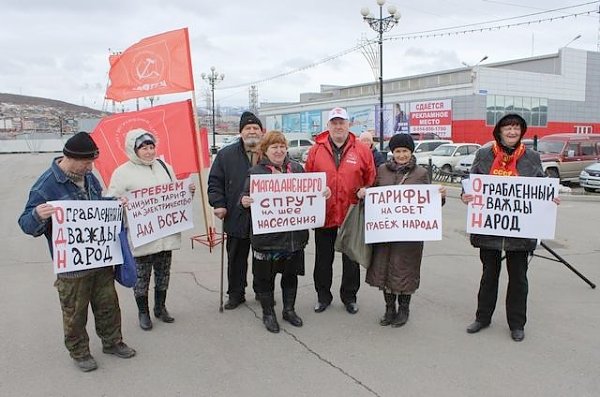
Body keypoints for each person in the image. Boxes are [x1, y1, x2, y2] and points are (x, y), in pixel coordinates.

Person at [18, 131, 136, 373]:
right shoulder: (45, 185)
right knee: (75, 311)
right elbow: (25, 224)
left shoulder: (90, 177)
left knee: (108, 305)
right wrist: (37, 215)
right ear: (69, 158)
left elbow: (96, 206)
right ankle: (79, 352)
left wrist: (114, 203)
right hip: (72, 266)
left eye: (92, 161)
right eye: (86, 162)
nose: (90, 166)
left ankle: (112, 342)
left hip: (100, 257)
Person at [461, 113, 560, 342]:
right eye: (508, 128)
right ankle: (482, 318)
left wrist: (550, 198)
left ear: (522, 131)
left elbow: (541, 186)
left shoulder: (532, 157)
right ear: (499, 131)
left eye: (516, 128)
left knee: (518, 278)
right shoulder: (484, 154)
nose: (512, 132)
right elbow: (472, 182)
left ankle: (517, 323)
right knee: (489, 275)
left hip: (520, 231)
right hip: (490, 229)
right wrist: (467, 196)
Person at [241, 131, 330, 333]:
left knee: (291, 275)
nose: (279, 150)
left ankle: (289, 310)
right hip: (267, 239)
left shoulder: (297, 169)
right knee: (266, 278)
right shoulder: (256, 173)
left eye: (282, 146)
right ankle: (268, 313)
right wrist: (244, 201)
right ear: (265, 150)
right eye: (274, 147)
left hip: (293, 238)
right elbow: (243, 198)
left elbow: (311, 193)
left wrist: (323, 192)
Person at [106, 129, 195, 331]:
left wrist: (187, 193)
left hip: (165, 232)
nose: (149, 151)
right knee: (141, 276)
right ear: (133, 150)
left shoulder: (165, 167)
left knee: (164, 273)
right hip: (142, 235)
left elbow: (175, 198)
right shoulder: (122, 172)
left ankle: (160, 307)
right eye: (144, 148)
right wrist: (120, 203)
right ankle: (143, 311)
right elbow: (111, 201)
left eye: (151, 147)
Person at [365, 133, 447, 327]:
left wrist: (440, 196)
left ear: (411, 152)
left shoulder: (420, 173)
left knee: (405, 271)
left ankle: (404, 309)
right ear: (392, 152)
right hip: (385, 233)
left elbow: (429, 203)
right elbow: (374, 194)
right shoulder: (382, 170)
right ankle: (389, 308)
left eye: (405, 151)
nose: (401, 155)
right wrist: (364, 193)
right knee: (384, 269)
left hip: (409, 235)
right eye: (398, 151)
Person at [304, 107, 376, 314]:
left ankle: (349, 297)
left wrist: (366, 190)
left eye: (341, 122)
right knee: (323, 259)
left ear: (348, 124)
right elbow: (307, 179)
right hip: (324, 213)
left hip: (351, 212)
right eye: (334, 122)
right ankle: (323, 296)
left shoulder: (361, 149)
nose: (338, 126)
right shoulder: (316, 150)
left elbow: (371, 179)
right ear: (328, 126)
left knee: (351, 259)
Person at [208, 111, 264, 309]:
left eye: (255, 128)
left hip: (264, 218)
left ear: (261, 131)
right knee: (236, 259)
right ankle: (235, 293)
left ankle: (262, 291)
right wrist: (218, 204)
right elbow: (215, 182)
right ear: (241, 132)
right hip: (235, 215)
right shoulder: (226, 155)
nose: (252, 131)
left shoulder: (270, 153)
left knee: (263, 259)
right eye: (247, 128)